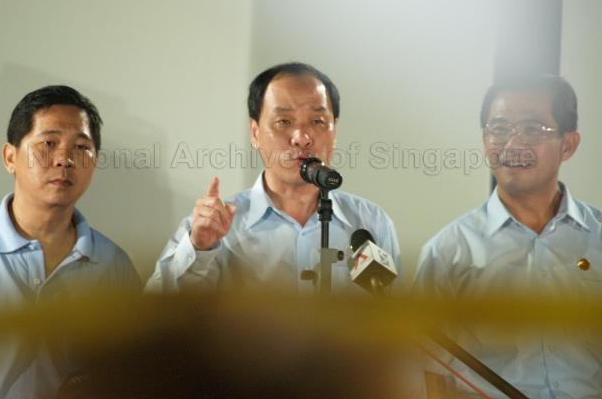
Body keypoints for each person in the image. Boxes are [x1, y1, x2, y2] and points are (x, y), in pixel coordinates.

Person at [413, 75, 602, 397]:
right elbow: (433, 374)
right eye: (499, 129)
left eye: (532, 129)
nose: (513, 145)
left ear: (568, 144)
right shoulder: (448, 252)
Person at [147, 62, 401, 294]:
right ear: (255, 133)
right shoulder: (216, 226)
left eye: (317, 121)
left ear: (335, 131)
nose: (302, 137)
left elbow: (399, 323)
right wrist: (199, 248)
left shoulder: (371, 222)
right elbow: (156, 316)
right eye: (284, 121)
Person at [0, 85, 140, 398]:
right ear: (10, 157)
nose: (64, 159)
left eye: (81, 148)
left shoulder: (114, 265)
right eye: (48, 143)